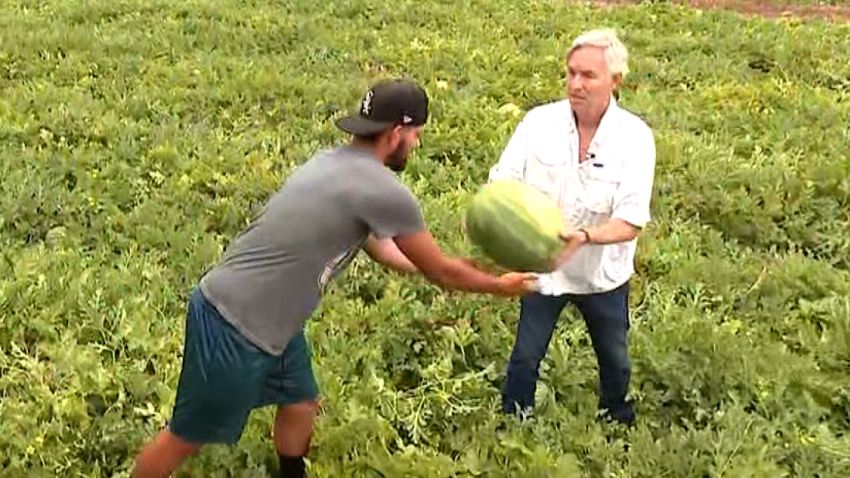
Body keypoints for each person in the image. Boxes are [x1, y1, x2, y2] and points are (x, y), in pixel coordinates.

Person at [131, 78, 537, 478]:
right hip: (235, 322)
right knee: (186, 436)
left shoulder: (331, 162)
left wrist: (458, 266)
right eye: (416, 135)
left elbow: (382, 248)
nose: (416, 144)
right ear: (396, 132)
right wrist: (500, 286)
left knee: (301, 400)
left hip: (275, 321)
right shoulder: (383, 190)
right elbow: (441, 272)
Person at [488, 29, 657, 426]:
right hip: (544, 266)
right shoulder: (538, 123)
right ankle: (514, 422)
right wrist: (488, 213)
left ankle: (615, 417)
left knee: (614, 356)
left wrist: (584, 237)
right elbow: (504, 181)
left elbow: (631, 221)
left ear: (615, 80)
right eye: (571, 73)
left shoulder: (634, 138)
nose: (576, 84)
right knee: (526, 354)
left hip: (602, 274)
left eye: (588, 76)